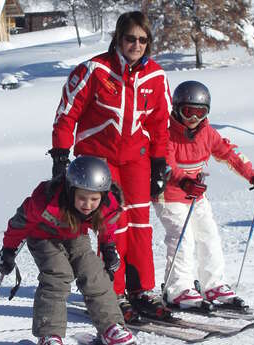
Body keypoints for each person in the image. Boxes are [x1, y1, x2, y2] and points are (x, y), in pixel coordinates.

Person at [48, 11, 171, 322]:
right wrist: (61, 157)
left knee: (141, 223)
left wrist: (159, 165)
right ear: (118, 38)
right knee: (113, 226)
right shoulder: (94, 70)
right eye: (130, 38)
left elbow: (160, 126)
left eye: (143, 40)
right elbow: (67, 115)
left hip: (136, 160)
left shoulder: (155, 77)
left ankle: (141, 290)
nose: (136, 44)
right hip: (99, 160)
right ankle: (113, 293)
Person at [153, 80, 254, 309]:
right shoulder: (166, 133)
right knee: (182, 238)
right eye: (188, 112)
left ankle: (213, 285)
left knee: (209, 235)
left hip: (195, 195)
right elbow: (166, 166)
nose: (193, 119)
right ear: (177, 109)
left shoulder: (207, 133)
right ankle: (178, 288)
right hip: (169, 196)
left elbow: (230, 155)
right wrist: (185, 182)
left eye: (200, 113)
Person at [0, 156, 136, 345]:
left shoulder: (107, 204)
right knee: (58, 275)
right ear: (71, 192)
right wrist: (8, 250)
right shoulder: (46, 200)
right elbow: (19, 223)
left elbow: (107, 224)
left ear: (102, 196)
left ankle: (111, 326)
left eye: (94, 199)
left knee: (94, 273)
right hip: (43, 237)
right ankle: (49, 334)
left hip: (75, 236)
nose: (87, 205)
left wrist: (108, 247)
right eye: (82, 198)